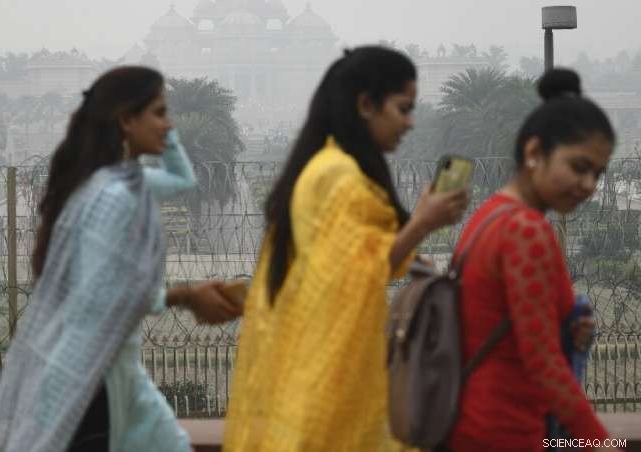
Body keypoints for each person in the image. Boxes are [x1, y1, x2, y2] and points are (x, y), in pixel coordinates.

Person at [0, 66, 243, 452]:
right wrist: (186, 296)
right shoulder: (115, 196)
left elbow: (183, 180)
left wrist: (165, 135)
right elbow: (102, 297)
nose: (169, 124)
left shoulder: (119, 180)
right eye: (158, 113)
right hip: (91, 377)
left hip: (111, 368)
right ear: (126, 119)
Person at [223, 46, 469, 452]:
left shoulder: (330, 166)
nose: (410, 123)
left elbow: (361, 262)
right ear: (366, 105)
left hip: (324, 369)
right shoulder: (339, 176)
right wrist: (423, 223)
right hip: (328, 380)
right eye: (403, 108)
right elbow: (355, 273)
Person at [445, 69, 619, 452]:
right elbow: (543, 364)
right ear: (534, 153)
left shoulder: (490, 215)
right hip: (507, 431)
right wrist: (598, 441)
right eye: (578, 167)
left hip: (470, 422)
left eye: (598, 172)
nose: (590, 184)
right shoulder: (527, 232)